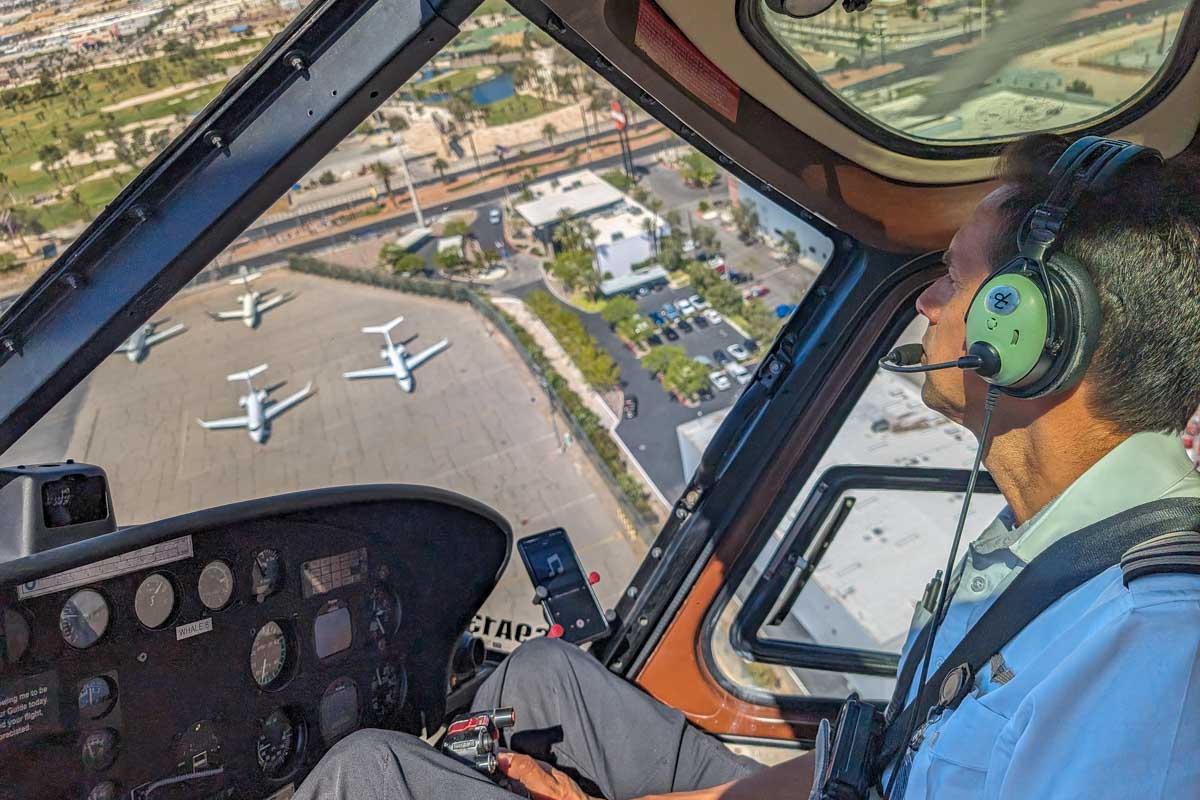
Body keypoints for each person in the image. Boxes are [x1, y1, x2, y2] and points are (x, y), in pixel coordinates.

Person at [296, 134, 1200, 799]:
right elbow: (893, 756)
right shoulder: (1048, 542)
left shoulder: (1153, 653)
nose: (925, 301)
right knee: (545, 680)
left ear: (1038, 335)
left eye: (953, 278)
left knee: (372, 778)